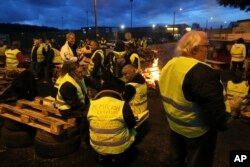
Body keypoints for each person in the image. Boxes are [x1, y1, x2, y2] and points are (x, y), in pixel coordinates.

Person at [159, 31, 232, 167]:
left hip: (176, 127)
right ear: (194, 48)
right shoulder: (202, 73)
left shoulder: (170, 64)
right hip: (198, 132)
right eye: (206, 45)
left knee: (177, 160)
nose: (209, 50)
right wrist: (222, 123)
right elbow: (214, 110)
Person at [87, 80, 136, 166]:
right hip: (118, 146)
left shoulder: (91, 104)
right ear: (119, 91)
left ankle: (102, 155)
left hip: (97, 145)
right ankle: (118, 158)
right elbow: (132, 124)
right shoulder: (122, 105)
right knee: (132, 131)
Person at [54, 62, 89, 146]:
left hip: (73, 104)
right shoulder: (67, 85)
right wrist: (88, 108)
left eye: (82, 71)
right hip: (66, 108)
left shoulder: (75, 79)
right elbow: (74, 103)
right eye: (79, 72)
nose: (82, 74)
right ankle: (83, 139)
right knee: (85, 115)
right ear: (72, 73)